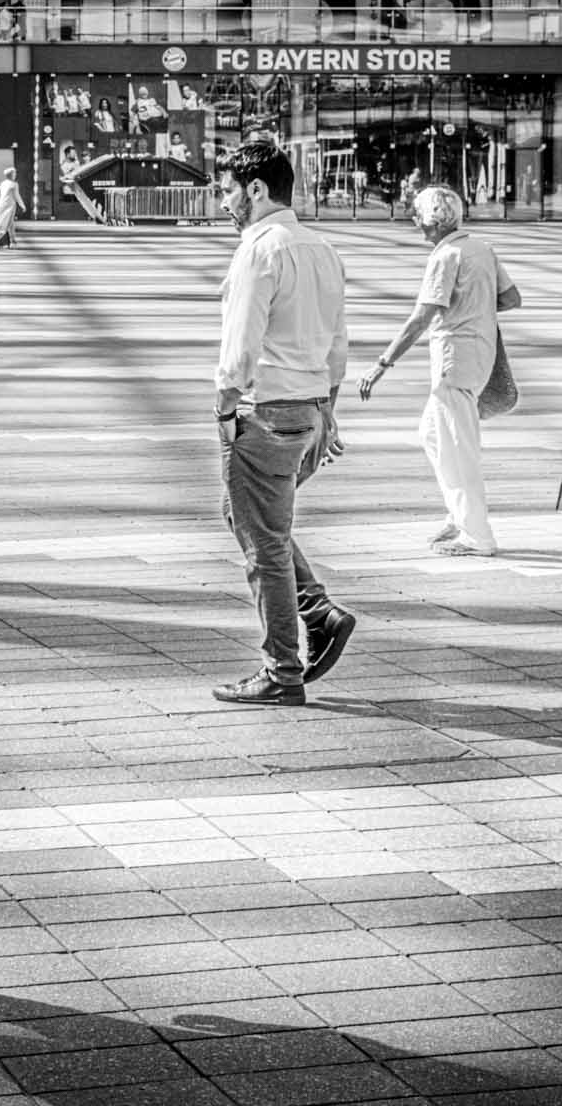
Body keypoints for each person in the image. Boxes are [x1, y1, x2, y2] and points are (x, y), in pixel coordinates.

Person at [208, 139, 356, 707]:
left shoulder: (258, 249)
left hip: (264, 410)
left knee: (262, 545)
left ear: (255, 190)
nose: (223, 204)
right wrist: (328, 407)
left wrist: (224, 410)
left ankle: (282, 669)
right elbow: (338, 345)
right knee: (249, 516)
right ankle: (317, 610)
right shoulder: (323, 249)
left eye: (227, 192)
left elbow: (240, 347)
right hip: (310, 410)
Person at [358, 185, 521, 558]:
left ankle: (477, 535)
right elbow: (512, 299)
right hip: (479, 355)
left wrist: (381, 365)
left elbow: (420, 319)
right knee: (432, 434)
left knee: (459, 447)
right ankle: (458, 515)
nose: (416, 224)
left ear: (434, 221)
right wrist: (476, 304)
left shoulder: (445, 256)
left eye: (419, 217)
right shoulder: (481, 248)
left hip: (454, 362)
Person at [0, 165, 26, 248]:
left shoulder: (3, 183)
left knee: (11, 224)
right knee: (6, 224)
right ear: (11, 175)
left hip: (1, 205)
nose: (15, 175)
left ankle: (13, 241)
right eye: (14, 173)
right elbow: (17, 196)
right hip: (10, 206)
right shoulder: (14, 184)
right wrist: (22, 205)